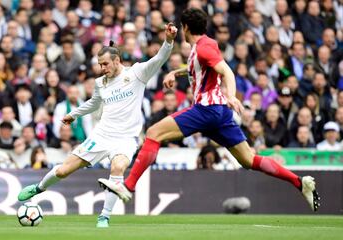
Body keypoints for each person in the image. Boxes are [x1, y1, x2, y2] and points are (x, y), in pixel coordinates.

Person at [99, 8, 320, 213]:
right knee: (248, 159)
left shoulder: (203, 48)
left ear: (185, 27)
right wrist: (176, 72)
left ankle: (127, 186)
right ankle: (300, 183)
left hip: (206, 109)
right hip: (219, 113)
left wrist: (232, 95)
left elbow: (226, 72)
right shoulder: (207, 44)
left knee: (153, 133)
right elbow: (200, 69)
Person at [17, 23, 177, 227]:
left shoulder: (137, 73)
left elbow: (160, 58)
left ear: (117, 60)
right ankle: (39, 188)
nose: (102, 69)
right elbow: (94, 103)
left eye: (105, 64)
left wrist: (169, 40)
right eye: (100, 64)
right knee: (63, 171)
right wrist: (73, 114)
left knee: (118, 166)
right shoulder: (101, 83)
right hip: (101, 135)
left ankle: (104, 216)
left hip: (126, 139)